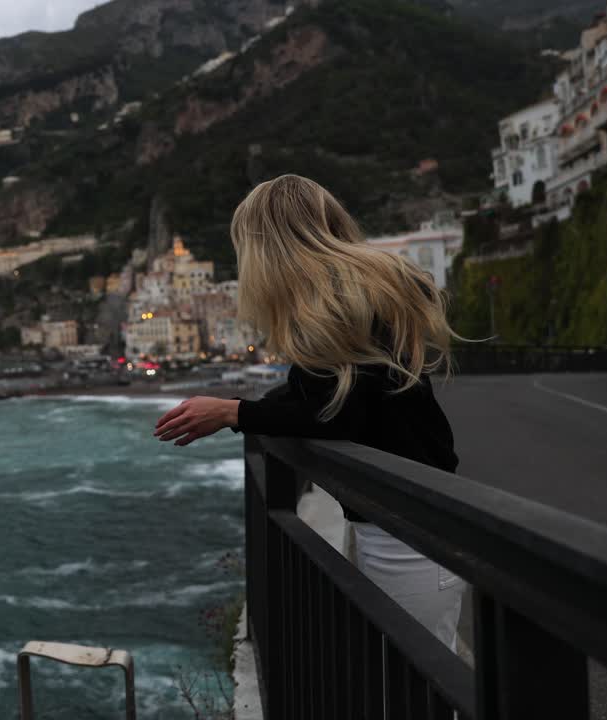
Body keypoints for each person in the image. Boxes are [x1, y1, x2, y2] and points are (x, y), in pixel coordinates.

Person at [151, 174, 465, 649]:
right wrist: (247, 409)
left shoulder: (333, 308)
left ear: (266, 247)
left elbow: (333, 415)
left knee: (414, 676)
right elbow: (324, 393)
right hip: (408, 516)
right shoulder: (359, 293)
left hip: (407, 532)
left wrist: (233, 413)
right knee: (407, 673)